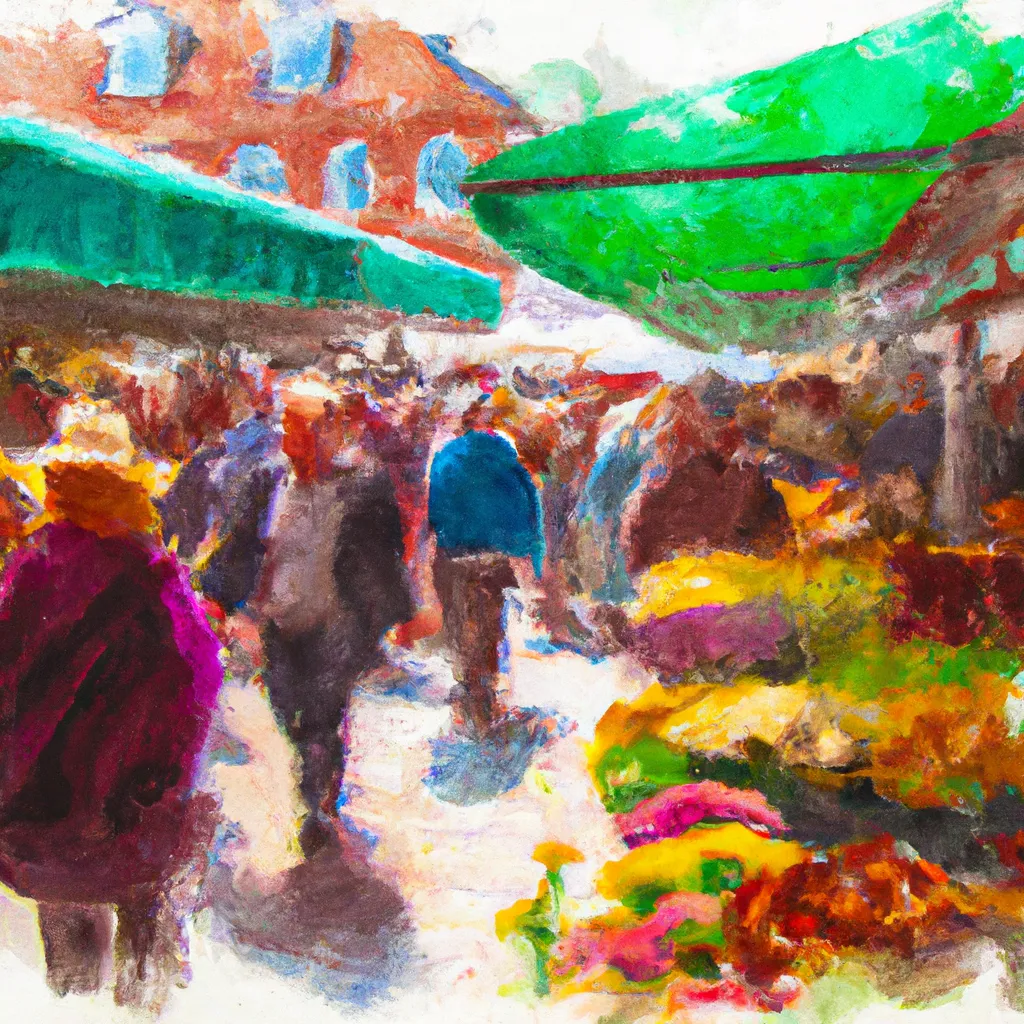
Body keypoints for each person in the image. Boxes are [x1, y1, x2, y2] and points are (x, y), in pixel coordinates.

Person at [0, 460, 223, 1011]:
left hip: (47, 807)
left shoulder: (33, 569)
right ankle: (145, 1006)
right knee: (145, 939)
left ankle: (76, 1002)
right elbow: (198, 679)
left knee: (70, 942)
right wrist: (168, 773)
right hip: (136, 805)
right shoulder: (158, 579)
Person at [254, 379, 411, 856]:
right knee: (289, 713)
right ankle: (314, 782)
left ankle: (318, 806)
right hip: (280, 627)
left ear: (330, 432)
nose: (292, 443)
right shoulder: (270, 484)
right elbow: (246, 547)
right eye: (288, 431)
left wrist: (397, 615)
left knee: (322, 717)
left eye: (303, 431)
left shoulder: (363, 489)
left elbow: (386, 558)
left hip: (334, 626)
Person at [428, 430, 543, 737]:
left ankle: (471, 701)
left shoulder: (446, 460)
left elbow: (432, 513)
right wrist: (533, 564)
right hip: (492, 560)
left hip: (452, 558)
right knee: (488, 631)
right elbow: (527, 510)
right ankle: (482, 705)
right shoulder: (504, 461)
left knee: (463, 631)